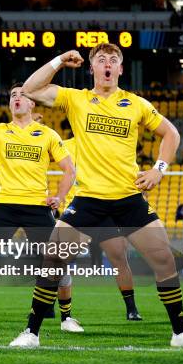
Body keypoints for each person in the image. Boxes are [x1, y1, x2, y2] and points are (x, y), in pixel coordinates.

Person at [12, 44, 183, 348]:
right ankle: (31, 333)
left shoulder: (136, 104)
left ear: (120, 69)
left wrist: (158, 169)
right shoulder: (76, 99)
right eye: (100, 60)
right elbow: (30, 88)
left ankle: (180, 334)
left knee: (165, 260)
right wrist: (60, 60)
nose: (107, 64)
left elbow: (172, 134)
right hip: (89, 198)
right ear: (92, 68)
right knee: (53, 259)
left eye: (112, 60)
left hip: (129, 197)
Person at [0, 85, 83, 333]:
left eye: (22, 94)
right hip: (4, 206)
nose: (16, 98)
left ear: (32, 103)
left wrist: (60, 196)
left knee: (58, 260)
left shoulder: (48, 135)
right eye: (12, 95)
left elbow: (69, 170)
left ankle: (67, 318)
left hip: (37, 206)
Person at [64, 137, 142, 321]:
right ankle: (51, 308)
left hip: (104, 209)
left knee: (119, 258)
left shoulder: (108, 141)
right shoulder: (65, 145)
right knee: (57, 259)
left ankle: (132, 308)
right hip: (79, 211)